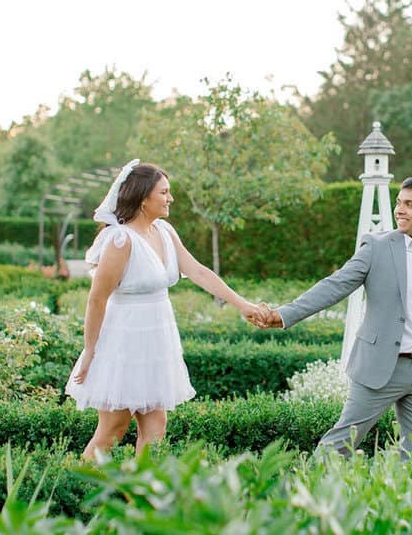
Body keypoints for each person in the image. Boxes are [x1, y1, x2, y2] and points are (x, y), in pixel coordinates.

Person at [65, 159, 265, 459]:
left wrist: (242, 304)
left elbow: (198, 271)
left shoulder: (165, 232)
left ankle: (144, 498)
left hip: (156, 341)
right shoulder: (121, 240)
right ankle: (74, 489)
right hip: (123, 342)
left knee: (157, 425)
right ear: (143, 198)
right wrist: (91, 351)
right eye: (164, 192)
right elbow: (97, 299)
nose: (170, 198)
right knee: (114, 429)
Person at [260, 176, 412, 456]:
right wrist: (283, 315)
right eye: (398, 202)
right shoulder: (377, 247)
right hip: (380, 368)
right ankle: (306, 496)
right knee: (338, 445)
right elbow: (335, 285)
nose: (399, 210)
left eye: (409, 204)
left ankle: (397, 500)